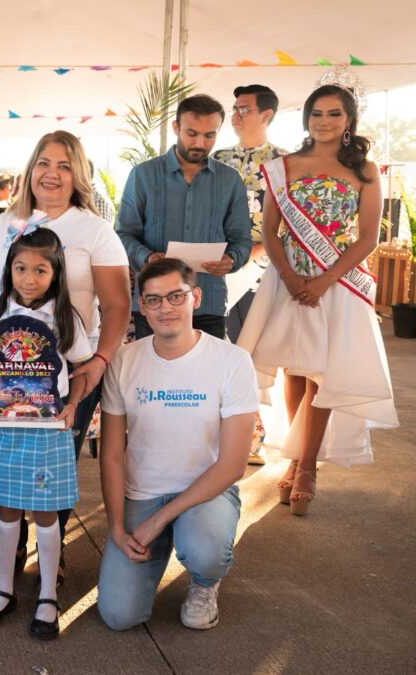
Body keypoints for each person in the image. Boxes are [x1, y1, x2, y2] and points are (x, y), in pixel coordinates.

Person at [236, 84, 399, 514]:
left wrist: (324, 280)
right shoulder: (283, 166)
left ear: (349, 122)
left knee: (322, 371)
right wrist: (290, 277)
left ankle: (308, 466)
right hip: (287, 279)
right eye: (316, 114)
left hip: (338, 280)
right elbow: (270, 230)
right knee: (294, 365)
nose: (324, 122)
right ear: (306, 119)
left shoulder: (364, 170)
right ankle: (293, 458)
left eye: (334, 114)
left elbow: (367, 238)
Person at [0, 131, 131, 587]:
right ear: (30, 168)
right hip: (6, 372)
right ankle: (11, 555)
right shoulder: (5, 221)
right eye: (44, 162)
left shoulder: (94, 229)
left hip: (72, 368)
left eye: (65, 166)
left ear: (78, 175)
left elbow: (119, 305)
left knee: (54, 465)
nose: (52, 173)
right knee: (8, 461)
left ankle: (52, 553)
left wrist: (100, 361)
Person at [97, 258, 258, 631]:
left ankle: (204, 583)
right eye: (153, 300)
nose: (165, 308)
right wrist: (117, 526)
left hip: (205, 493)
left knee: (205, 551)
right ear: (141, 306)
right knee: (119, 617)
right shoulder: (124, 360)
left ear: (195, 297)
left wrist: (159, 521)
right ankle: (155, 547)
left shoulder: (232, 361)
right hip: (142, 493)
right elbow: (112, 455)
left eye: (175, 296)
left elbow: (233, 465)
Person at [0, 228, 92, 641]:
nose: (29, 277)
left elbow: (82, 369)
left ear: (56, 273)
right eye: (21, 268)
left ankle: (46, 593)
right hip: (3, 424)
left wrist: (74, 404)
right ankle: (5, 587)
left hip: (46, 425)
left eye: (41, 270)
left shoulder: (64, 315)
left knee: (44, 510)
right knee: (5, 508)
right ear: (9, 269)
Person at [117, 94, 252, 340]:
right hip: (154, 303)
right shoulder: (143, 175)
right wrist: (148, 258)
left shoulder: (230, 181)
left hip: (208, 301)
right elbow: (123, 234)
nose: (200, 142)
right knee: (153, 375)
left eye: (209, 135)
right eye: (192, 133)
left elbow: (242, 239)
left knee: (206, 377)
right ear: (176, 128)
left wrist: (231, 259)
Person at [212, 84, 286, 466]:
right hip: (217, 267)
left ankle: (253, 437)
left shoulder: (285, 162)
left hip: (261, 270)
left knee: (250, 350)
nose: (237, 114)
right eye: (235, 108)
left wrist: (256, 252)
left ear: (266, 115)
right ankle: (223, 435)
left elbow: (289, 220)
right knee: (221, 349)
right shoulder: (218, 158)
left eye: (244, 108)